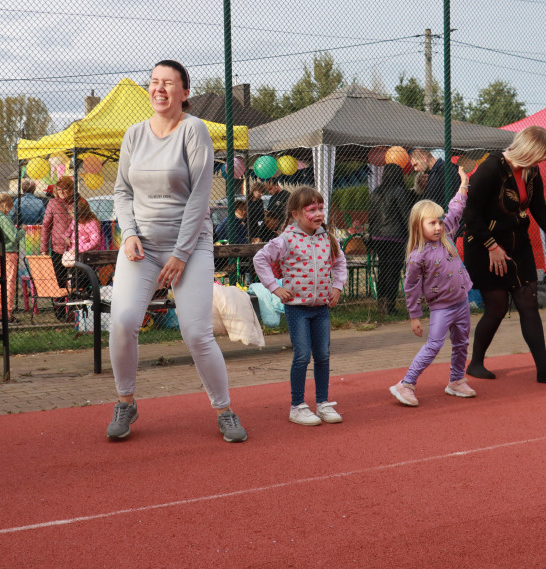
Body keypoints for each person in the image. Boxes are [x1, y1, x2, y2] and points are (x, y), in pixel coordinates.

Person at [108, 59, 247, 443]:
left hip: (191, 246)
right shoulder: (134, 135)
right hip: (143, 247)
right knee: (122, 322)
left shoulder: (194, 130)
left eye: (168, 83)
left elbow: (200, 197)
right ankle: (126, 401)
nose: (159, 89)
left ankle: (224, 410)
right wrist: (129, 232)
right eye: (154, 82)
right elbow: (122, 192)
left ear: (184, 93)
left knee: (196, 332)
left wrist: (182, 254)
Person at [461, 126, 546, 383]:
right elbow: (470, 215)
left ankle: (544, 369)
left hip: (518, 245)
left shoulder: (532, 171)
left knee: (528, 302)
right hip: (484, 246)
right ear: (529, 150)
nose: (545, 159)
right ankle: (476, 363)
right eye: (542, 154)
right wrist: (491, 246)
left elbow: (540, 209)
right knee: (497, 307)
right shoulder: (490, 169)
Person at [252, 186, 347, 425]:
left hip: (321, 308)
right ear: (295, 214)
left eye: (321, 208)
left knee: (323, 355)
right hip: (297, 308)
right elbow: (260, 259)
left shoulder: (328, 238)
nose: (318, 214)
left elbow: (340, 263)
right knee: (303, 355)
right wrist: (275, 287)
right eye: (312, 209)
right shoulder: (286, 239)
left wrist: (337, 287)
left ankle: (323, 403)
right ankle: (297, 406)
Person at [389, 168, 476, 407]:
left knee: (461, 343)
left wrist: (463, 186)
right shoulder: (417, 256)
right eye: (432, 223)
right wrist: (414, 316)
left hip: (461, 302)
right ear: (419, 226)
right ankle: (405, 384)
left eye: (439, 221)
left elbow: (456, 209)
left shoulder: (446, 234)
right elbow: (411, 287)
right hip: (441, 308)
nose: (438, 227)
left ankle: (456, 381)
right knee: (434, 345)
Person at [368, 163, 416, 315]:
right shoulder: (399, 191)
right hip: (395, 237)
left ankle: (381, 304)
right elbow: (406, 216)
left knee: (383, 270)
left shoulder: (376, 191)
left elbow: (372, 216)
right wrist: (413, 235)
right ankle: (390, 305)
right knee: (393, 272)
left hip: (377, 237)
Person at [40, 176, 75, 288]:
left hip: (77, 247)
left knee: (76, 279)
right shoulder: (53, 203)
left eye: (65, 189)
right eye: (59, 189)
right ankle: (59, 305)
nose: (61, 192)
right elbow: (46, 226)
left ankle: (74, 303)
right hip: (58, 247)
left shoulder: (78, 202)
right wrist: (44, 248)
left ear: (71, 189)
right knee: (59, 280)